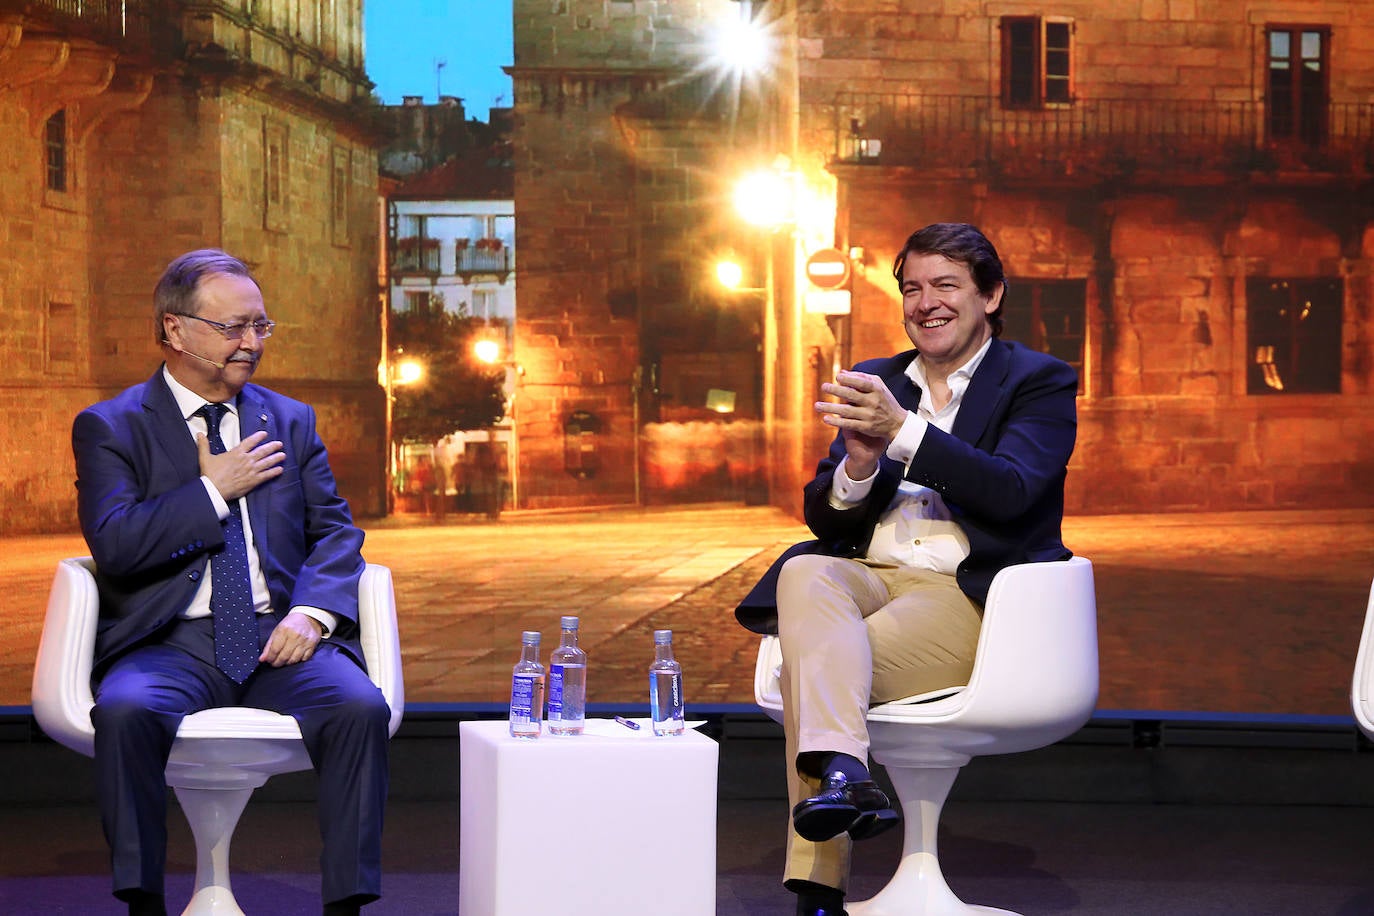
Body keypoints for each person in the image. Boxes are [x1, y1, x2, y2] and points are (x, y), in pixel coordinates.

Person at [735, 223, 1078, 916]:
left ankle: (819, 886)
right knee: (805, 573)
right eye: (913, 288)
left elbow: (1013, 489)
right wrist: (858, 468)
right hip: (867, 575)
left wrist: (904, 433)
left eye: (947, 285)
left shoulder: (1037, 381)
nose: (927, 303)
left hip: (962, 592)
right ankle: (847, 778)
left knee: (812, 669)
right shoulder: (882, 377)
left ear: (990, 295)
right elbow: (826, 520)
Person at [71, 249, 390, 916]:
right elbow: (119, 545)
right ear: (173, 329)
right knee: (127, 712)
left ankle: (348, 905)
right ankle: (143, 902)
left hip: (281, 639)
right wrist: (213, 490)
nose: (251, 343)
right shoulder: (112, 426)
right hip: (169, 643)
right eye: (232, 328)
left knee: (359, 707)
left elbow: (336, 533)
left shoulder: (290, 420)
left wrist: (313, 617)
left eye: (261, 327)